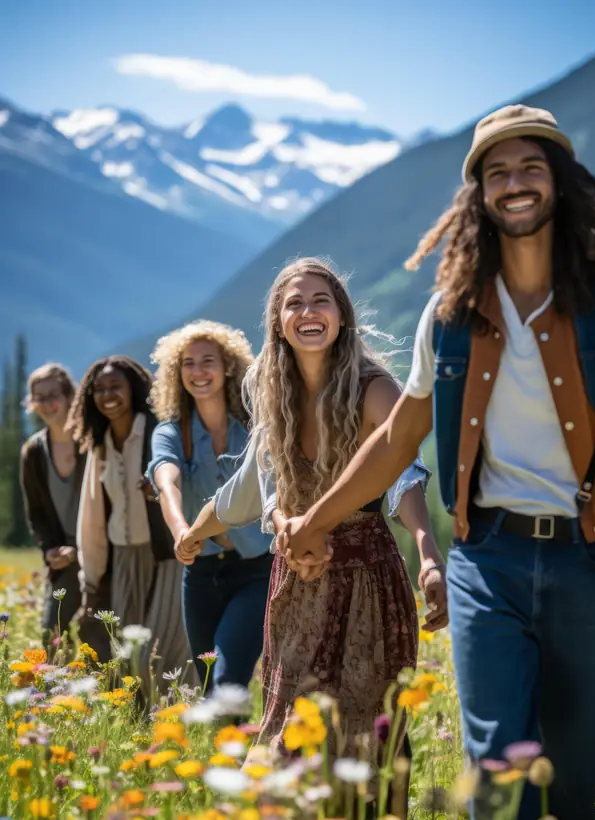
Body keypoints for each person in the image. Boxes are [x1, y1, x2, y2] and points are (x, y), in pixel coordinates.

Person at [282, 107, 595, 820]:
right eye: (496, 172)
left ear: (558, 180)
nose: (514, 183)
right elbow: (395, 440)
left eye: (530, 167)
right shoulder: (451, 315)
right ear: (477, 196)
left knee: (578, 762)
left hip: (589, 555)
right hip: (486, 558)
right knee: (496, 762)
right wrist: (314, 521)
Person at [180, 258, 447, 765]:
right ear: (277, 322)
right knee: (294, 724)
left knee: (367, 729)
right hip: (297, 581)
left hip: (366, 579)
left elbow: (403, 473)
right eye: (294, 303)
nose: (308, 311)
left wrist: (427, 551)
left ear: (342, 315)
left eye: (320, 300)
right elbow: (258, 482)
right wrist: (196, 532)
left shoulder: (375, 388)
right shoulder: (272, 390)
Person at [147, 321, 273, 693]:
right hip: (200, 575)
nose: (198, 372)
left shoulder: (255, 426)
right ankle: (226, 751)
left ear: (228, 367)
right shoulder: (172, 433)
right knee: (207, 684)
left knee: (227, 676)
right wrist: (181, 531)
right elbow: (165, 482)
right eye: (188, 363)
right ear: (177, 372)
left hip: (257, 571)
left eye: (208, 361)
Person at [67, 355, 193, 689]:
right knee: (128, 651)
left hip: (167, 557)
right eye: (100, 389)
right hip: (123, 560)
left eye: (116, 386)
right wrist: (90, 583)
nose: (108, 394)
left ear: (133, 388)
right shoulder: (101, 445)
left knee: (163, 648)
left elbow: (187, 485)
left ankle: (178, 718)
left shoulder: (159, 432)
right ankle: (143, 724)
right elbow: (91, 518)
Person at [20, 364, 86, 646]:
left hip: (103, 556)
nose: (47, 404)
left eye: (53, 395)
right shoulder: (33, 452)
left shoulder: (91, 442)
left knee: (102, 633)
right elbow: (36, 512)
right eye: (39, 398)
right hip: (64, 561)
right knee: (50, 631)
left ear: (70, 395)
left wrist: (83, 549)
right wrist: (49, 550)